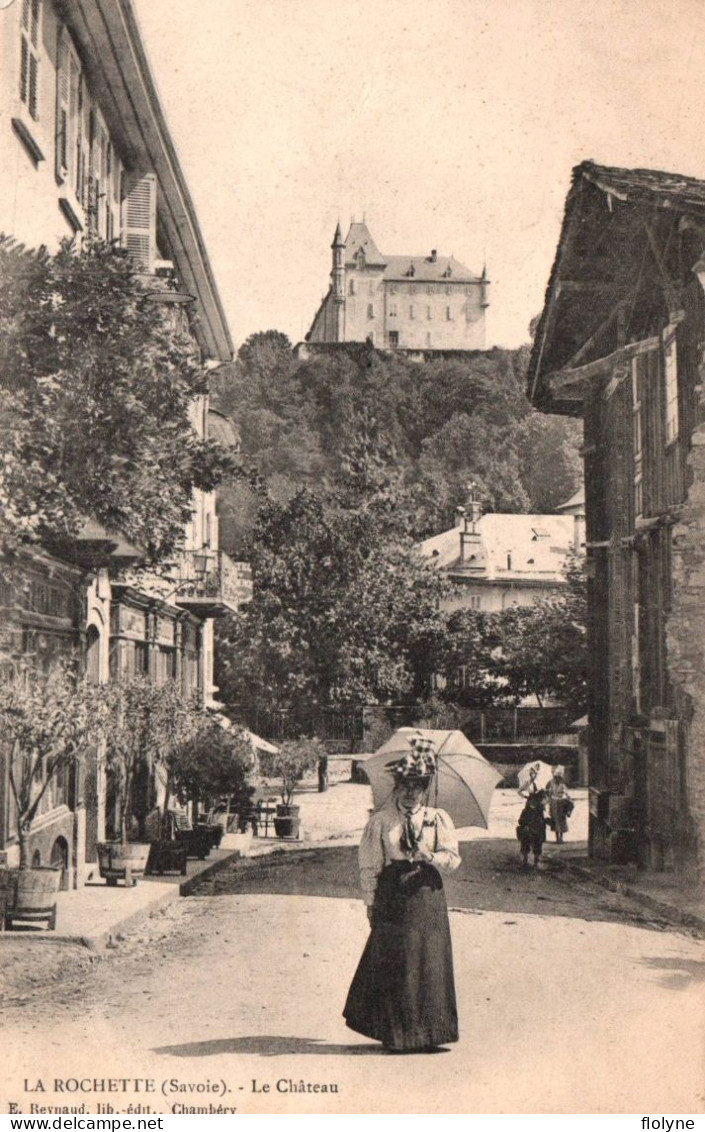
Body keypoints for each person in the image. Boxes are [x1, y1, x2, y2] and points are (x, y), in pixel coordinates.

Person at [343, 736, 461, 1052]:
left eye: (418, 786)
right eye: (405, 785)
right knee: (397, 962)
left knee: (428, 962)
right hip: (393, 896)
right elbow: (370, 866)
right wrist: (370, 904)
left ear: (426, 788)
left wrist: (430, 856)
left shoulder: (438, 820)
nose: (411, 793)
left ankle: (429, 1033)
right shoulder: (381, 822)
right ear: (397, 785)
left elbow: (452, 860)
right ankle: (398, 1034)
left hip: (427, 895)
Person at [546, 765, 572, 843]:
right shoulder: (552, 785)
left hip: (560, 804)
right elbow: (549, 793)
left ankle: (561, 837)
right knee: (555, 821)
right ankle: (557, 838)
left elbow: (566, 794)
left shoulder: (562, 786)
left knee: (561, 821)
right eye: (555, 777)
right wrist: (549, 795)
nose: (556, 779)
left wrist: (563, 797)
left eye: (558, 777)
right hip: (554, 804)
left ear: (560, 778)